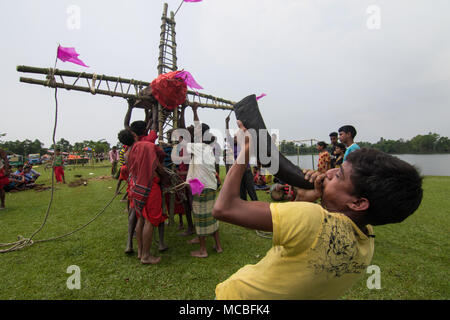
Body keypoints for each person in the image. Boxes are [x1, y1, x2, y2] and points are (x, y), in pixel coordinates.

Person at [212, 120, 423, 299]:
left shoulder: (312, 219)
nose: (329, 173)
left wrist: (247, 148)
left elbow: (225, 207)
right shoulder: (367, 243)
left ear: (358, 203)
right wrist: (306, 199)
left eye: (339, 175)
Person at [119, 128, 166, 265]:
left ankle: (140, 252)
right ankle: (146, 256)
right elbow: (158, 160)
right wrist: (164, 175)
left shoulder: (127, 154)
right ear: (134, 135)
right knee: (150, 221)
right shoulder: (147, 146)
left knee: (141, 219)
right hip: (150, 187)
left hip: (135, 189)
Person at [186, 103, 223, 258]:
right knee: (210, 215)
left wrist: (194, 111)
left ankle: (203, 250)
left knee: (200, 216)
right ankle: (218, 246)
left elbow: (196, 128)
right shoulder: (207, 148)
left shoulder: (199, 147)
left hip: (200, 186)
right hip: (208, 184)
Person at [225, 115, 258, 201]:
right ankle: (245, 210)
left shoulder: (243, 144)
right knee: (242, 193)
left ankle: (257, 206)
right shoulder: (233, 146)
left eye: (236, 137)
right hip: (239, 173)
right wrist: (227, 123)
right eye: (234, 137)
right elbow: (228, 134)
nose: (235, 138)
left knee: (251, 191)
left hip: (246, 171)